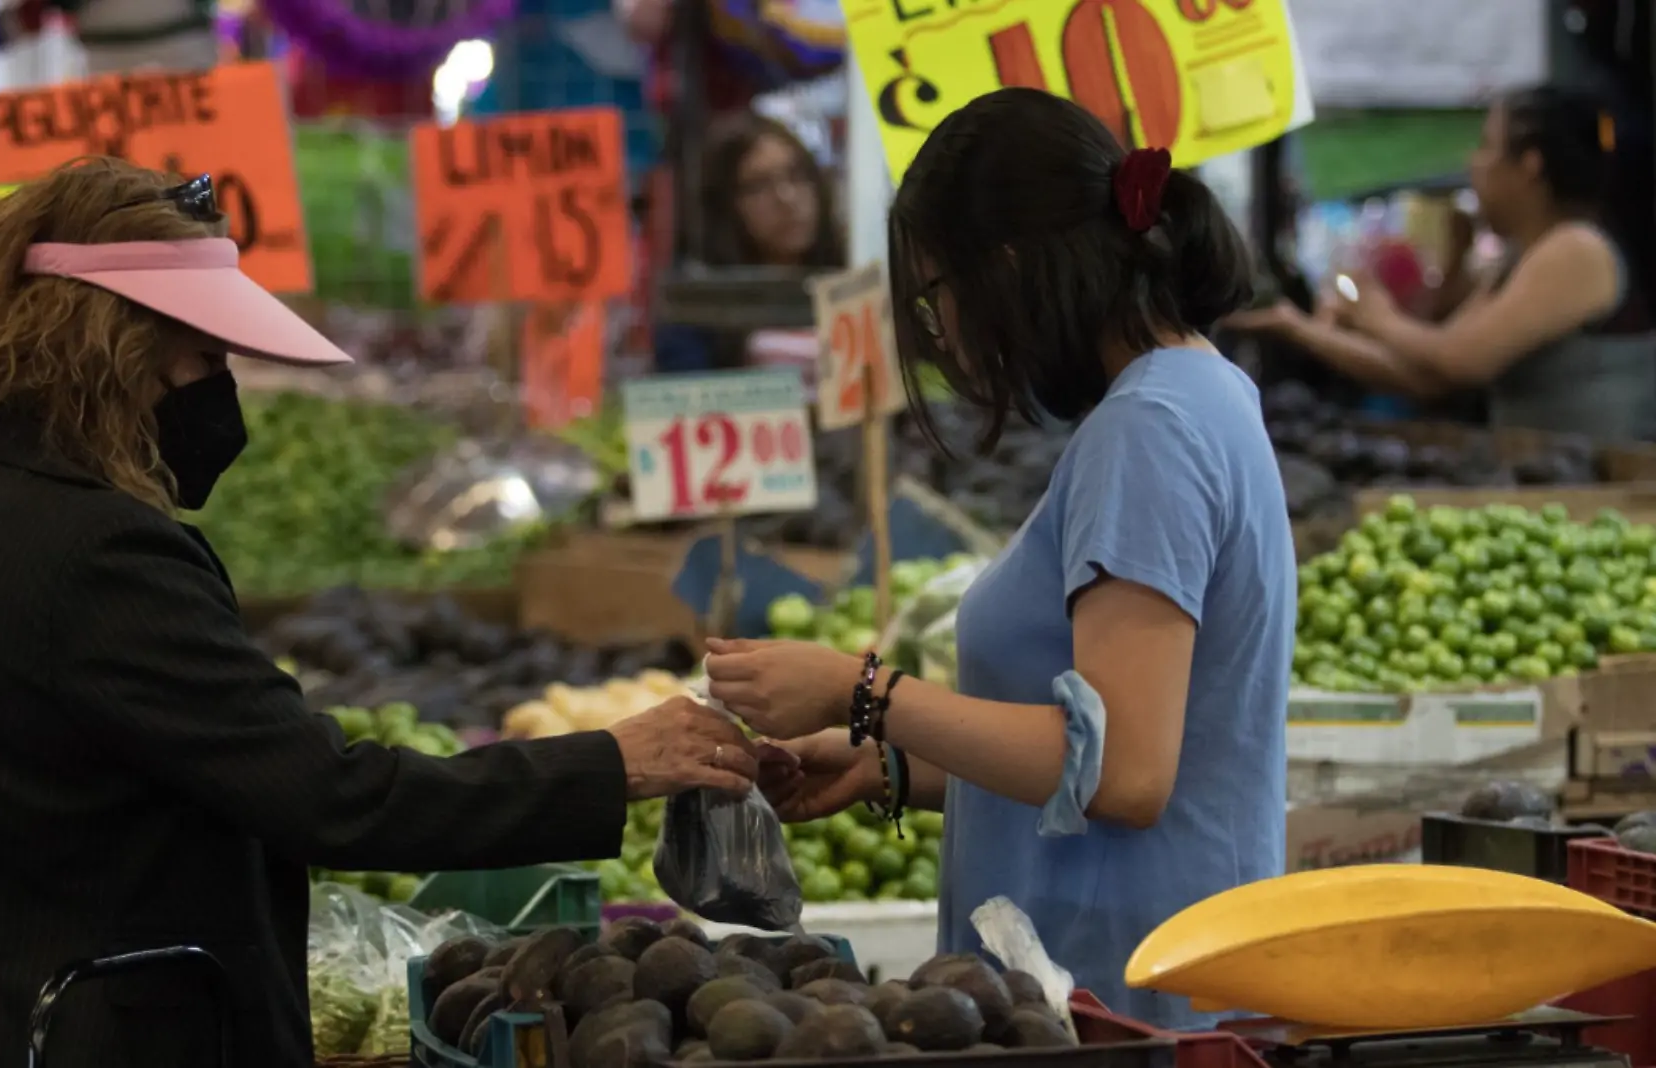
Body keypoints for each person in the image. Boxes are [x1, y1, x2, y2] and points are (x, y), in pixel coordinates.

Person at [0, 159, 758, 1068]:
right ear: (109, 349)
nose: (219, 392)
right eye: (203, 359)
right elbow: (330, 796)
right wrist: (611, 762)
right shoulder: (97, 552)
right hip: (57, 1032)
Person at [703, 88, 1295, 1029]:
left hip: (1130, 1001)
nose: (942, 339)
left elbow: (1126, 773)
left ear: (1008, 268)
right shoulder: (1192, 393)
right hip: (1133, 982)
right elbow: (1107, 746)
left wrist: (862, 690)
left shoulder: (1150, 427)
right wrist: (897, 765)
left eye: (936, 298)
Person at [1229, 86, 1656, 440]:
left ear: (1530, 167)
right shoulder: (1522, 256)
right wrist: (1298, 327)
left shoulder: (1575, 249)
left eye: (1487, 148)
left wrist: (1376, 316)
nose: (1473, 164)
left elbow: (1461, 360)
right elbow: (1427, 375)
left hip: (1604, 494)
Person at [653, 112, 843, 372]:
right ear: (725, 206)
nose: (786, 198)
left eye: (797, 175)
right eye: (758, 186)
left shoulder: (852, 278)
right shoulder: (697, 314)